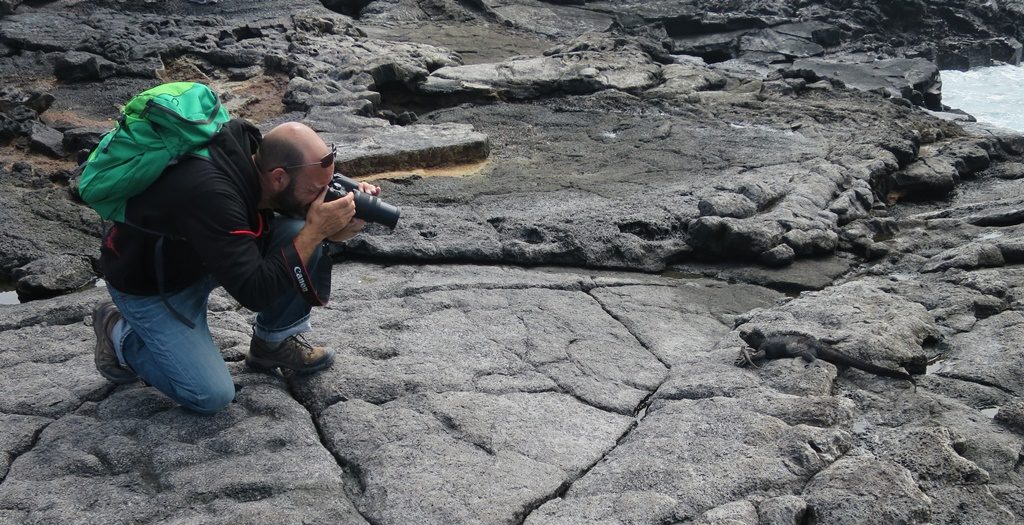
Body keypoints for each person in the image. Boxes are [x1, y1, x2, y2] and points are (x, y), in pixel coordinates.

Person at [91, 119, 380, 414]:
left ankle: (273, 343)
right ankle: (118, 330)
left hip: (208, 256)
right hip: (153, 285)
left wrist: (348, 222)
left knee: (300, 231)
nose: (322, 197)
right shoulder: (213, 194)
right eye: (316, 189)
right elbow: (254, 293)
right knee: (209, 396)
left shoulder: (254, 154)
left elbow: (307, 225)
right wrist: (316, 231)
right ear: (279, 177)